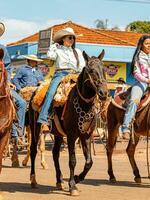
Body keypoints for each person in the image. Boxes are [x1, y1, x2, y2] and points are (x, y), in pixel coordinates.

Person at [37, 27, 86, 132]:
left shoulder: (77, 51)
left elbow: (82, 66)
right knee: (50, 93)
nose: (72, 40)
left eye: (73, 38)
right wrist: (53, 46)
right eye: (69, 37)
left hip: (75, 74)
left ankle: (90, 118)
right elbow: (50, 56)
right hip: (60, 74)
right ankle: (43, 120)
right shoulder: (57, 50)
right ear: (63, 39)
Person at [120, 35, 150, 140]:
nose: (149, 46)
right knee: (134, 100)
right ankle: (126, 127)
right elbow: (136, 73)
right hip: (142, 83)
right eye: (147, 44)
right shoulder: (138, 57)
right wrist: (147, 80)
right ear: (141, 45)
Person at [0, 22, 27, 138]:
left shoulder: (2, 49)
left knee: (21, 103)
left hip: (1, 82)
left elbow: (7, 67)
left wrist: (8, 81)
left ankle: (17, 129)